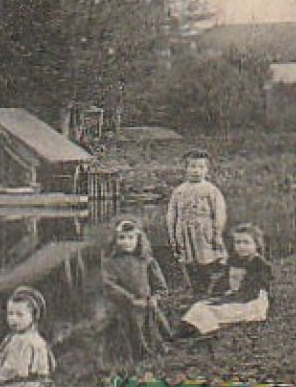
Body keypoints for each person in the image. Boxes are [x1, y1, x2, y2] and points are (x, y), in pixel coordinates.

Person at [177, 223, 273, 337]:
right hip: (235, 297)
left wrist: (223, 300)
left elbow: (252, 292)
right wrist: (215, 295)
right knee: (200, 306)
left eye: (246, 242)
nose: (241, 246)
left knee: (208, 310)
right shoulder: (233, 261)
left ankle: (207, 331)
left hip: (250, 303)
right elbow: (223, 282)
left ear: (256, 245)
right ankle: (186, 330)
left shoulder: (260, 265)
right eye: (238, 243)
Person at [102, 217, 174, 364]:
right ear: (115, 240)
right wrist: (131, 299)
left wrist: (155, 298)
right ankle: (137, 355)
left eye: (131, 238)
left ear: (139, 238)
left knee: (153, 326)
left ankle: (157, 349)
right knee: (131, 328)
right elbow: (109, 285)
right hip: (125, 306)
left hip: (147, 305)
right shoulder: (111, 262)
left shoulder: (146, 260)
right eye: (122, 238)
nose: (126, 242)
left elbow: (160, 286)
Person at [166, 149, 228, 294]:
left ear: (207, 170)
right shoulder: (179, 190)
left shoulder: (211, 190)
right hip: (185, 230)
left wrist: (217, 232)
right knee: (188, 260)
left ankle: (210, 287)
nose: (196, 171)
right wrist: (172, 233)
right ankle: (194, 288)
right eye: (192, 166)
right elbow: (172, 213)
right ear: (186, 169)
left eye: (201, 167)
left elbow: (219, 212)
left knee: (206, 259)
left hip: (204, 231)